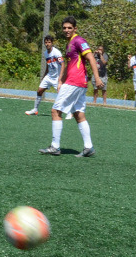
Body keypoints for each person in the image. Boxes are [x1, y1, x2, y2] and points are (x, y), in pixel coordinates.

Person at [40, 17, 100, 157]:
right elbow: (68, 65)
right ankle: (88, 147)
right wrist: (61, 80)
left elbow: (91, 58)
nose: (66, 30)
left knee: (55, 111)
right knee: (79, 114)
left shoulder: (79, 41)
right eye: (64, 28)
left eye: (69, 27)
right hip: (76, 83)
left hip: (75, 82)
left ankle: (55, 147)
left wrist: (97, 78)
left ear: (75, 28)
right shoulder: (69, 44)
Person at [26, 35, 62, 116]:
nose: (47, 44)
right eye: (46, 42)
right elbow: (48, 65)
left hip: (56, 78)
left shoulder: (57, 53)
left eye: (49, 42)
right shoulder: (45, 53)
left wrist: (60, 78)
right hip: (49, 76)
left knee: (61, 94)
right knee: (39, 91)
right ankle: (35, 109)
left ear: (52, 43)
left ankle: (70, 111)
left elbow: (63, 65)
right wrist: (44, 76)